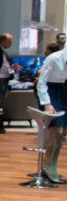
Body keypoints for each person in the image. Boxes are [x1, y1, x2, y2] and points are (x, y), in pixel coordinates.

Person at [35, 44, 67, 183]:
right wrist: (47, 104)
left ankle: (52, 165)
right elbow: (41, 83)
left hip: (64, 90)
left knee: (62, 132)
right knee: (56, 130)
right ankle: (47, 166)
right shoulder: (53, 58)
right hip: (50, 91)